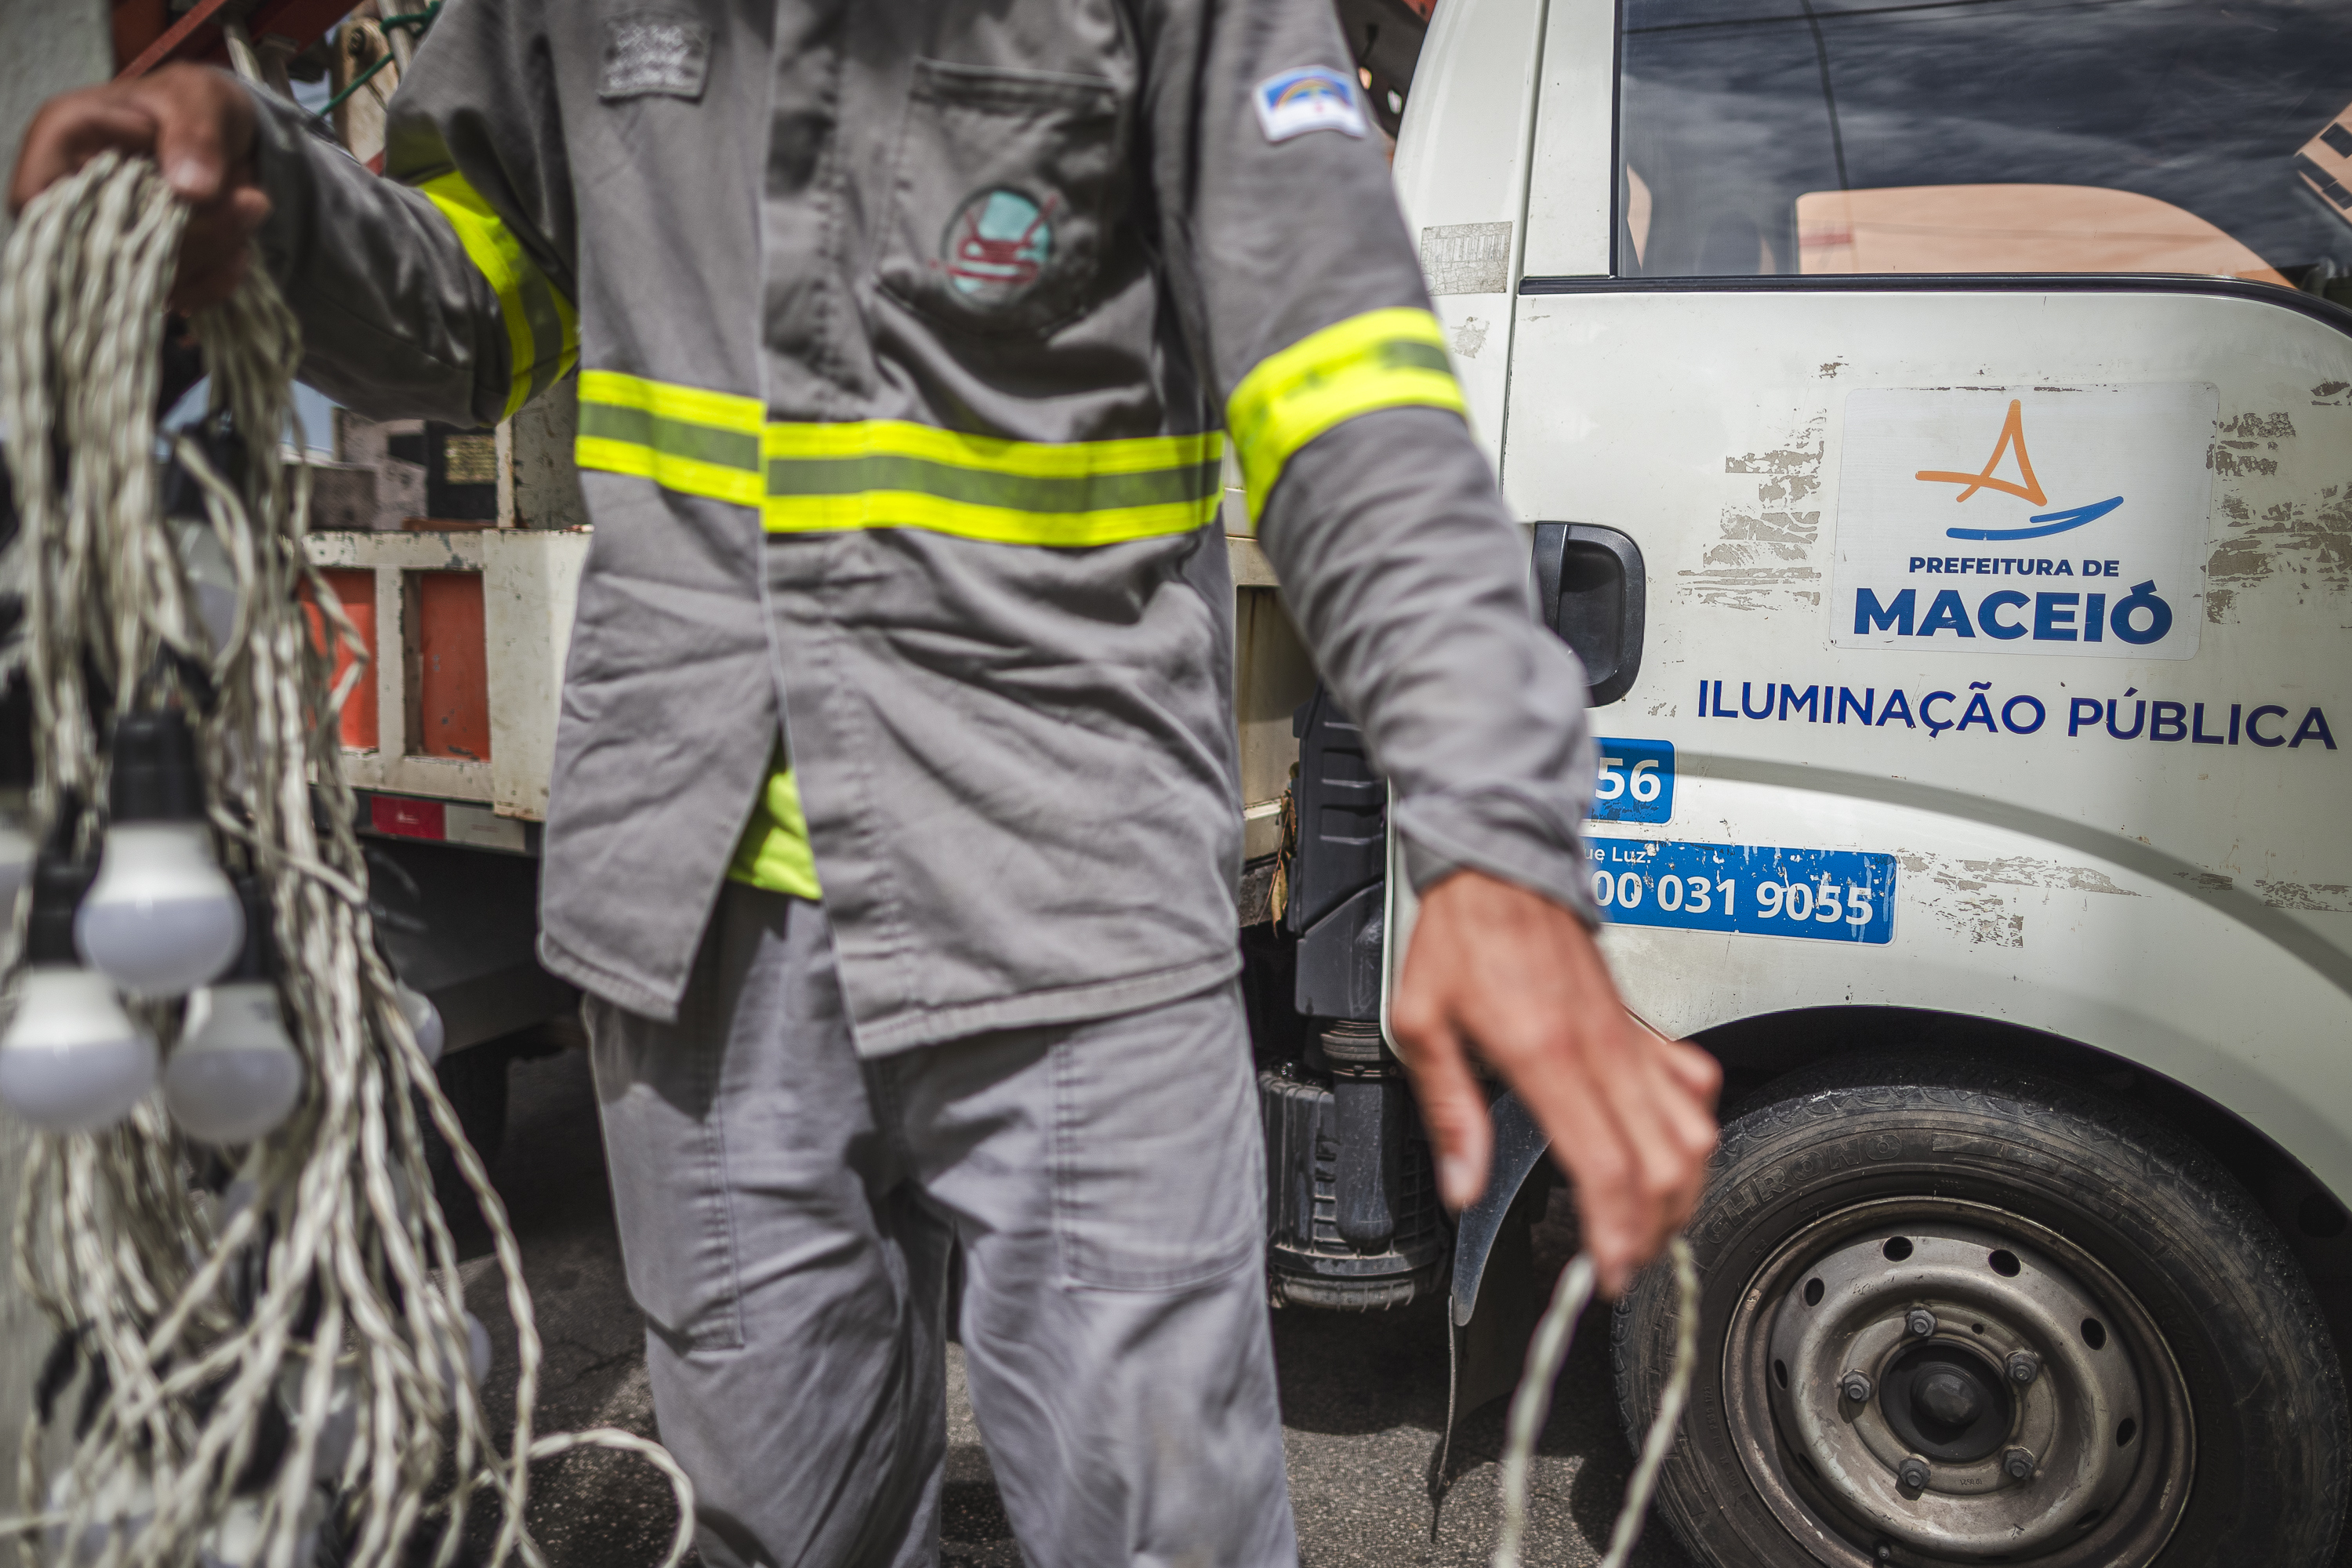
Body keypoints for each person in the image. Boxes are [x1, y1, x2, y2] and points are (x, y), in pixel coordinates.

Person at [14, 5, 1719, 1563]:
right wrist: (278, 201)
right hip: (699, 924)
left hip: (1072, 907)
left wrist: (1490, 825)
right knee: (770, 1534)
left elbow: (1346, 386)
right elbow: (478, 300)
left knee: (1167, 1532)